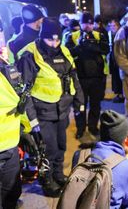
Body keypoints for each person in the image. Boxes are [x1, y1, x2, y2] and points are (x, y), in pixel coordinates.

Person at [17, 17, 84, 197]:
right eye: (49, 39)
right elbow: (24, 91)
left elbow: (74, 78)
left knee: (61, 145)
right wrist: (31, 118)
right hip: (41, 113)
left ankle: (57, 174)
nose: (54, 43)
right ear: (41, 36)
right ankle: (47, 181)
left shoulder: (64, 52)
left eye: (57, 39)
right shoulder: (30, 55)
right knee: (48, 148)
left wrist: (80, 101)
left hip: (61, 110)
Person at [81, 110, 128, 208]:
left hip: (83, 204)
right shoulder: (126, 165)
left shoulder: (80, 154)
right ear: (123, 138)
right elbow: (127, 199)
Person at [65, 12, 110, 138]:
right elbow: (68, 52)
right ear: (80, 23)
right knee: (80, 105)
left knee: (96, 104)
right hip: (80, 77)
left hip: (97, 77)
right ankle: (80, 129)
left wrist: (91, 45)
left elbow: (106, 49)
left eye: (90, 23)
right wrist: (80, 46)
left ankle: (93, 126)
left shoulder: (99, 35)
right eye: (85, 23)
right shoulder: (72, 36)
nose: (88, 26)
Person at [0, 56, 37, 209]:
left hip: (11, 145)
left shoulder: (5, 66)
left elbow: (20, 101)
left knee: (12, 191)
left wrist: (25, 131)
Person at [108, 19, 124, 103]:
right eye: (111, 26)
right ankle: (118, 94)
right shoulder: (111, 35)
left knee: (120, 78)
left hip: (119, 60)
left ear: (118, 26)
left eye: (114, 26)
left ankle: (121, 95)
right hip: (113, 60)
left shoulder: (121, 34)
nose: (112, 27)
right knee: (115, 78)